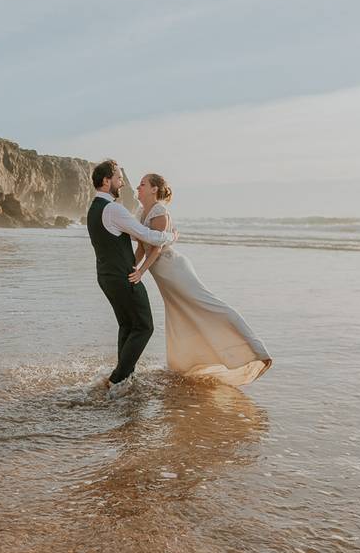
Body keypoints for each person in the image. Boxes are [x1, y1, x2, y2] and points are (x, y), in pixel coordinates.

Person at [130, 173, 272, 386]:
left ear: (154, 189)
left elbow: (157, 248)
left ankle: (256, 350)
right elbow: (142, 246)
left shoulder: (160, 212)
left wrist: (140, 272)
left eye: (143, 184)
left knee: (208, 305)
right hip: (163, 276)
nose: (138, 187)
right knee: (180, 316)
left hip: (174, 271)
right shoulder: (141, 212)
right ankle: (186, 364)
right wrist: (131, 267)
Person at [87, 159, 176, 399]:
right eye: (117, 178)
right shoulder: (113, 209)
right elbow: (148, 236)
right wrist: (172, 236)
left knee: (127, 325)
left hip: (106, 276)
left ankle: (125, 376)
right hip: (122, 277)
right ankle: (118, 379)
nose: (122, 182)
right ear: (106, 181)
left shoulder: (94, 208)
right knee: (144, 326)